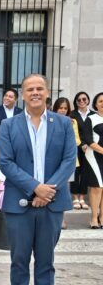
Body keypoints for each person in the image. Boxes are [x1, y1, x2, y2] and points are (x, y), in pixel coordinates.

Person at [0, 74, 76, 285]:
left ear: (47, 92)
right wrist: (35, 188)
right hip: (20, 203)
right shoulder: (9, 126)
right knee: (19, 260)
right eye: (29, 89)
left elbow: (68, 160)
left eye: (39, 88)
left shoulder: (64, 123)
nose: (34, 92)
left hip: (51, 204)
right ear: (22, 94)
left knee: (46, 260)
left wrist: (47, 191)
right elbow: (7, 163)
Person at [52, 97, 81, 229]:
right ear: (55, 108)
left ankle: (62, 218)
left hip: (68, 161)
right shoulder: (49, 120)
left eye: (65, 108)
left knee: (63, 189)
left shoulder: (72, 121)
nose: (63, 110)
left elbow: (77, 140)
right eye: (60, 108)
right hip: (53, 160)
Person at [81, 92, 103, 229]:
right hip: (94, 156)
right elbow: (88, 140)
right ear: (95, 104)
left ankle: (102, 218)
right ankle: (94, 218)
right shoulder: (91, 118)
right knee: (97, 186)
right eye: (101, 101)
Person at [70, 91, 92, 210]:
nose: (82, 101)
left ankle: (82, 198)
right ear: (76, 102)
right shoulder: (72, 115)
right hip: (76, 148)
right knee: (76, 172)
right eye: (79, 100)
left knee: (85, 173)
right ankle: (75, 198)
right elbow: (72, 133)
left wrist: (89, 145)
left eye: (84, 99)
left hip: (90, 148)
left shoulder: (94, 114)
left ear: (88, 100)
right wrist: (82, 144)